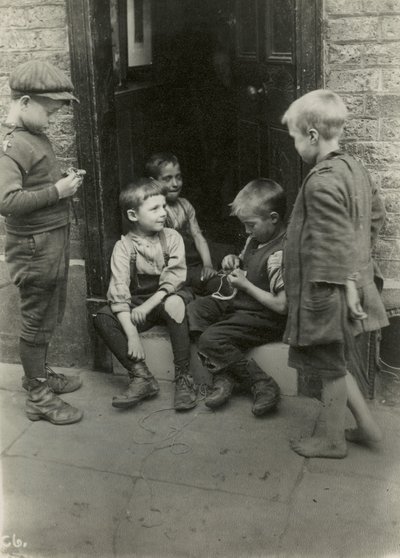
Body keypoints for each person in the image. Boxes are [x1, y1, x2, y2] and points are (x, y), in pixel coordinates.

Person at [281, 89, 389, 458]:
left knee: (328, 369)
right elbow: (376, 217)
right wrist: (361, 263)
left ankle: (331, 440)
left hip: (326, 291)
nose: (295, 146)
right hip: (345, 284)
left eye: (295, 138)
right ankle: (368, 427)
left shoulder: (321, 180)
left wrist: (349, 285)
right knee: (335, 364)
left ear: (312, 135)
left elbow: (332, 239)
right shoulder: (355, 168)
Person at [0, 59, 85, 425]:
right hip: (33, 248)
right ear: (23, 103)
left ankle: (38, 375)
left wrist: (60, 183)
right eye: (47, 111)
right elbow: (6, 202)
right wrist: (57, 190)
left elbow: (36, 185)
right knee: (36, 320)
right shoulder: (12, 145)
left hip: (49, 240)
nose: (51, 119)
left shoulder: (34, 137)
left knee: (49, 313)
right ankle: (37, 396)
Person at [93, 178, 197, 411]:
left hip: (167, 299)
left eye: (164, 207)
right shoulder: (124, 247)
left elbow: (173, 280)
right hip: (140, 304)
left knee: (174, 303)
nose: (163, 213)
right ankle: (142, 377)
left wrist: (146, 307)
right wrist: (132, 335)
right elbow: (119, 292)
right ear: (133, 215)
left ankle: (183, 377)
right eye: (154, 208)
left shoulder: (172, 238)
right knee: (102, 317)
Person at [186, 178, 287, 415]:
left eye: (250, 225)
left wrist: (246, 285)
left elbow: (282, 306)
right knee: (193, 311)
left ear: (273, 218)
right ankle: (225, 375)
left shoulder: (279, 253)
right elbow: (246, 263)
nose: (246, 231)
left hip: (264, 317)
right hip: (241, 305)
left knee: (210, 340)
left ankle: (262, 383)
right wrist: (233, 260)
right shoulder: (257, 239)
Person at [145, 153, 220, 299]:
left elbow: (198, 236)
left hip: (191, 260)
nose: (175, 184)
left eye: (178, 177)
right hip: (171, 266)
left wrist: (208, 265)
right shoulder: (153, 209)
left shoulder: (185, 205)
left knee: (216, 275)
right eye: (167, 178)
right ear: (153, 182)